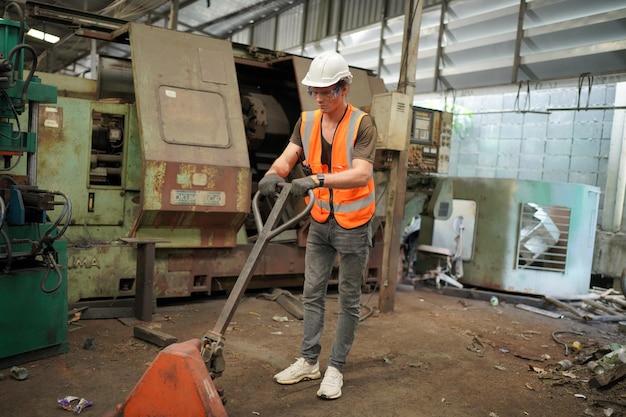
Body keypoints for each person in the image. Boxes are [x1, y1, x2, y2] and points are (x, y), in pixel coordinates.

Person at [258, 51, 377, 400]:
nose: (321, 98)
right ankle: (309, 362)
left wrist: (317, 181)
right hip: (321, 220)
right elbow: (289, 154)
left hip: (354, 222)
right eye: (315, 91)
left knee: (349, 299)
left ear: (344, 88)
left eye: (327, 91)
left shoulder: (363, 124)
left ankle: (336, 368)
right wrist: (272, 174)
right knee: (312, 293)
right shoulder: (306, 120)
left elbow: (362, 173)